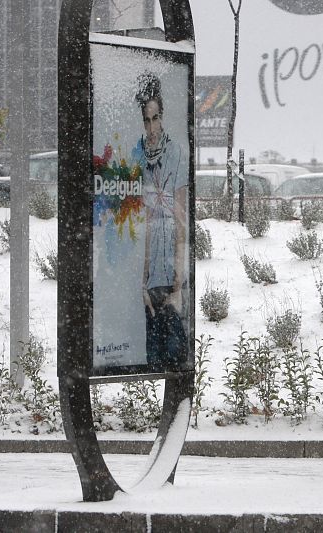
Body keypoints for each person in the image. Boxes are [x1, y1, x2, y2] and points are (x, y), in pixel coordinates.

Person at [132, 72, 190, 372]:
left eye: (155, 119)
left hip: (169, 265)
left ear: (162, 117)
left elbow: (180, 216)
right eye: (147, 120)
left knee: (175, 356)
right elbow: (140, 218)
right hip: (149, 267)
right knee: (153, 357)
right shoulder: (138, 153)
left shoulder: (175, 152)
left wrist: (178, 279)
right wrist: (142, 281)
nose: (152, 127)